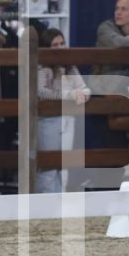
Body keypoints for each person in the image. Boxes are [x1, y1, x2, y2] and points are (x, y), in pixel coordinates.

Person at [36, 28, 90, 193]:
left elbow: (83, 87)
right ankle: (46, 203)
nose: (59, 47)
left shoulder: (69, 66)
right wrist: (70, 94)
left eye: (62, 43)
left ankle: (60, 201)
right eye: (54, 44)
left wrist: (83, 94)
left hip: (68, 119)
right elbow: (42, 92)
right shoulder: (42, 67)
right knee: (49, 167)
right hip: (48, 120)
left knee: (64, 166)